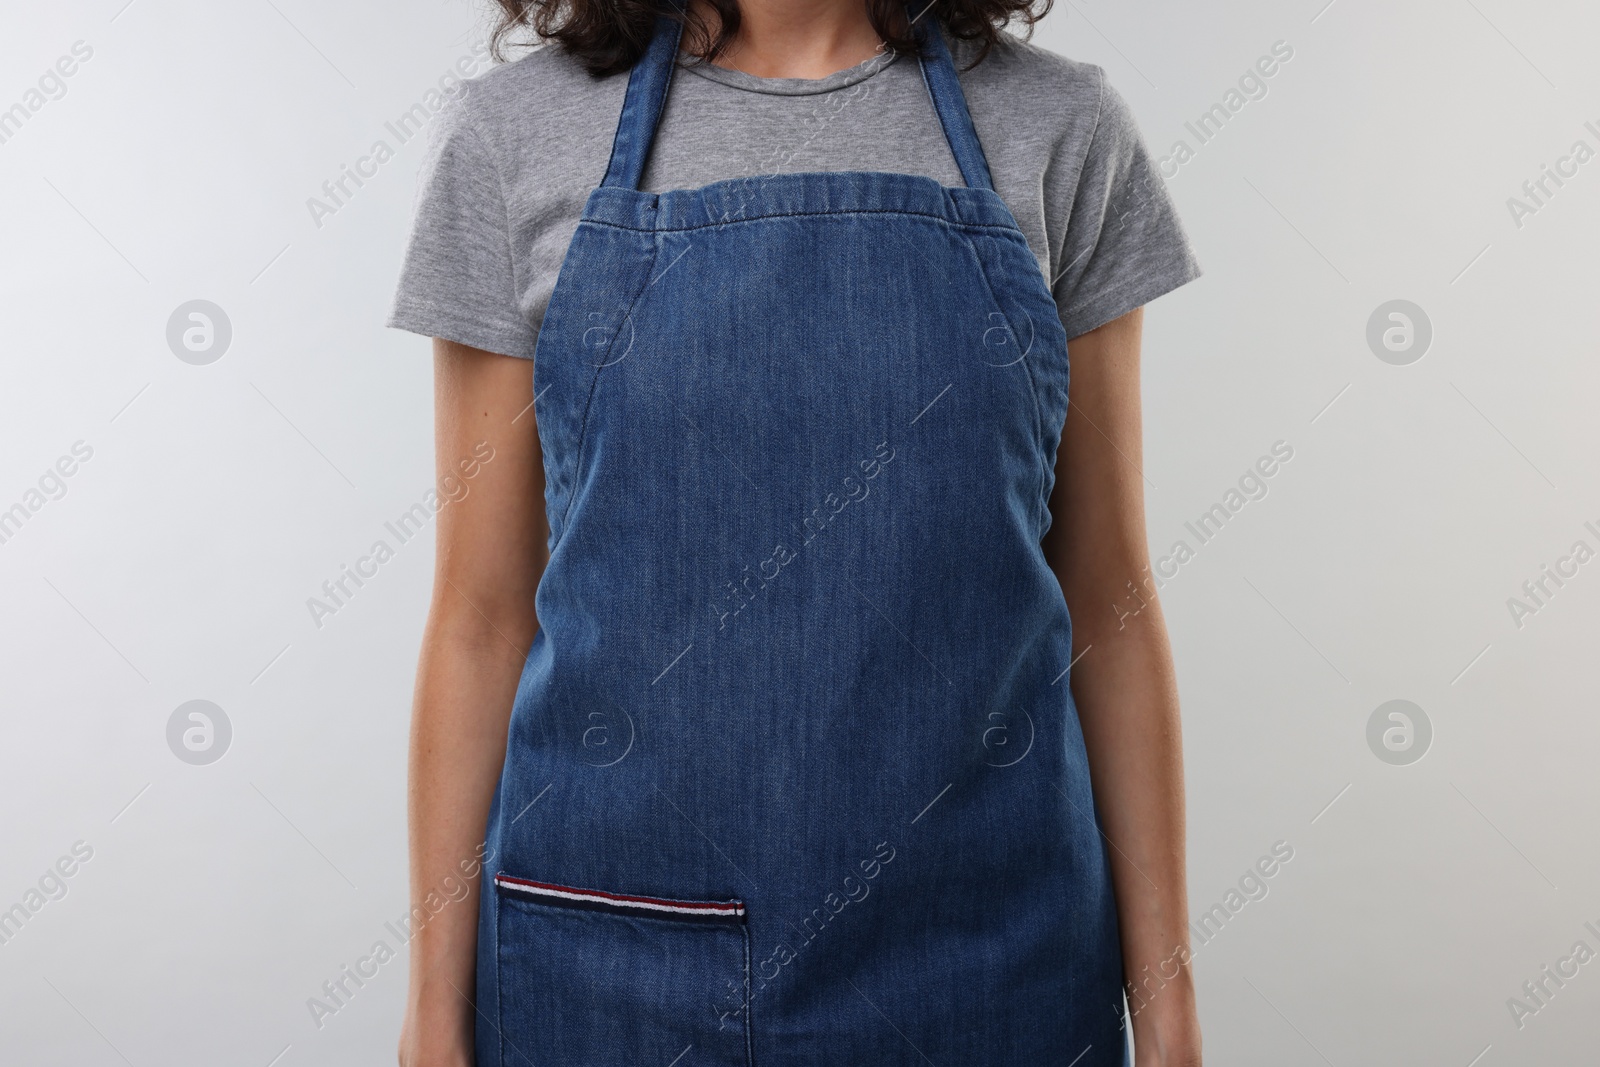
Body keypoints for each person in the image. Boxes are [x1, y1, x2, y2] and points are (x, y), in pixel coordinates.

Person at [389, 1, 1203, 1064]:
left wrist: (1172, 1015)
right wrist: (432, 1015)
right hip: (609, 964)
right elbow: (480, 614)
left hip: (991, 966)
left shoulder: (1059, 126)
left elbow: (1108, 600)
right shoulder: (512, 133)